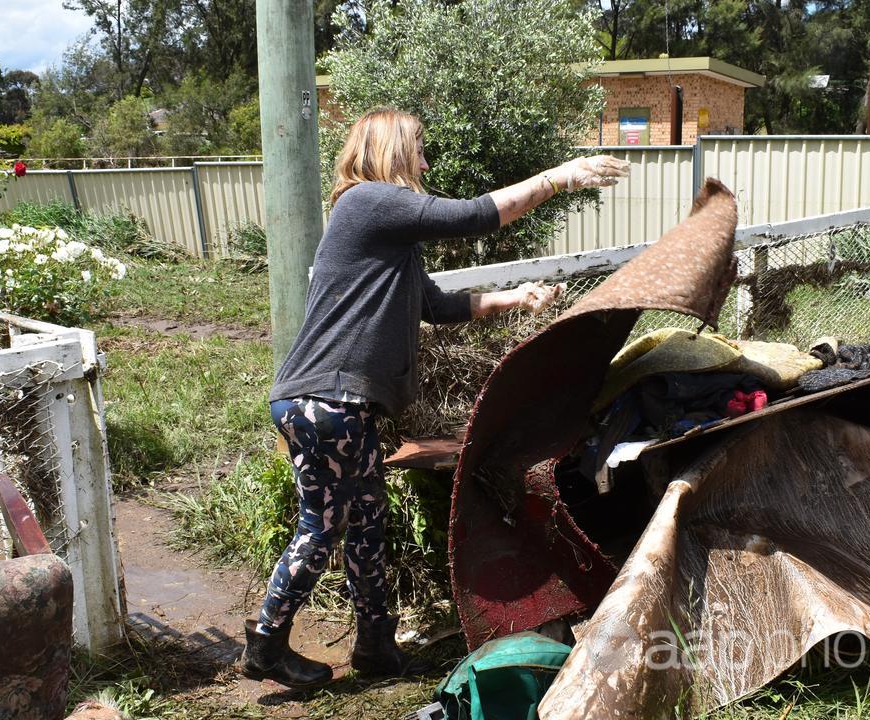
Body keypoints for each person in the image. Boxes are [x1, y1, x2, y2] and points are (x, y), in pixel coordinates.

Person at [240, 107, 630, 689]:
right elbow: (478, 215)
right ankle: (266, 645)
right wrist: (561, 176)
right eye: (419, 150)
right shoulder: (368, 200)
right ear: (392, 151)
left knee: (367, 525)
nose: (425, 162)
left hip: (339, 405)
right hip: (329, 401)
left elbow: (436, 306)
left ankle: (376, 648)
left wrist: (515, 298)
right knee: (321, 528)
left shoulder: (383, 233)